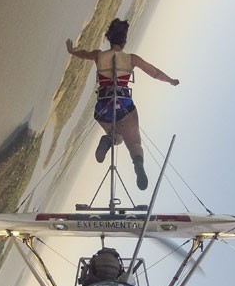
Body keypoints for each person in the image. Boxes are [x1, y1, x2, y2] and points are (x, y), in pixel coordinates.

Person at [66, 19, 179, 190]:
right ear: (124, 41)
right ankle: (138, 165)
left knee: (116, 137)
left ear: (109, 38)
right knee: (134, 144)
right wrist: (171, 81)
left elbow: (83, 54)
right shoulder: (131, 59)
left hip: (103, 107)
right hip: (124, 105)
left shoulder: (98, 55)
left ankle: (109, 139)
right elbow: (155, 73)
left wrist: (72, 51)